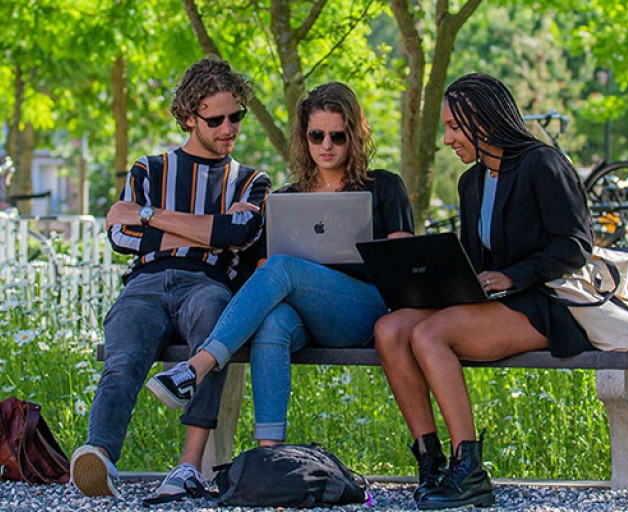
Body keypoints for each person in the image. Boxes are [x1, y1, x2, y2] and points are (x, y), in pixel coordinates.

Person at [146, 82, 414, 446]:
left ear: (355, 135)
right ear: (304, 138)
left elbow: (403, 267)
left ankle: (196, 367)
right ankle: (269, 453)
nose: (326, 146)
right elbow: (261, 268)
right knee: (272, 322)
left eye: (338, 136)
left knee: (284, 267)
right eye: (316, 136)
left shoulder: (383, 186)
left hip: (362, 311)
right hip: (303, 317)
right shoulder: (286, 198)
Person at [373, 73, 594, 510]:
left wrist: (515, 276)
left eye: (454, 127)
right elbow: (475, 260)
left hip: (541, 302)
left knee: (429, 335)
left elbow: (575, 246)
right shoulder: (471, 183)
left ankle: (470, 471)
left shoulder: (542, 164)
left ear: (483, 120)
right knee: (391, 328)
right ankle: (431, 462)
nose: (448, 139)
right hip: (491, 302)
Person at [70, 56, 271, 498]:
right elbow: (122, 236)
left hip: (208, 285)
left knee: (214, 331)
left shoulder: (252, 180)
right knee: (123, 361)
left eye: (236, 116)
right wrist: (212, 230)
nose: (228, 128)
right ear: (187, 118)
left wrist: (151, 217)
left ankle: (187, 465)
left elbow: (239, 234)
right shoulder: (149, 168)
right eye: (215, 119)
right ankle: (98, 456)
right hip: (145, 284)